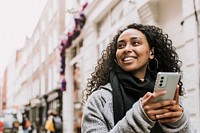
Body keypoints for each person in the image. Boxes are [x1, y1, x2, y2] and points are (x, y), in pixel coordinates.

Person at [81, 23, 194, 132]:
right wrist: (140, 118)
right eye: (120, 46)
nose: (126, 49)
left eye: (135, 43)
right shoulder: (99, 99)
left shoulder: (167, 95)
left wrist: (178, 123)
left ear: (151, 53)